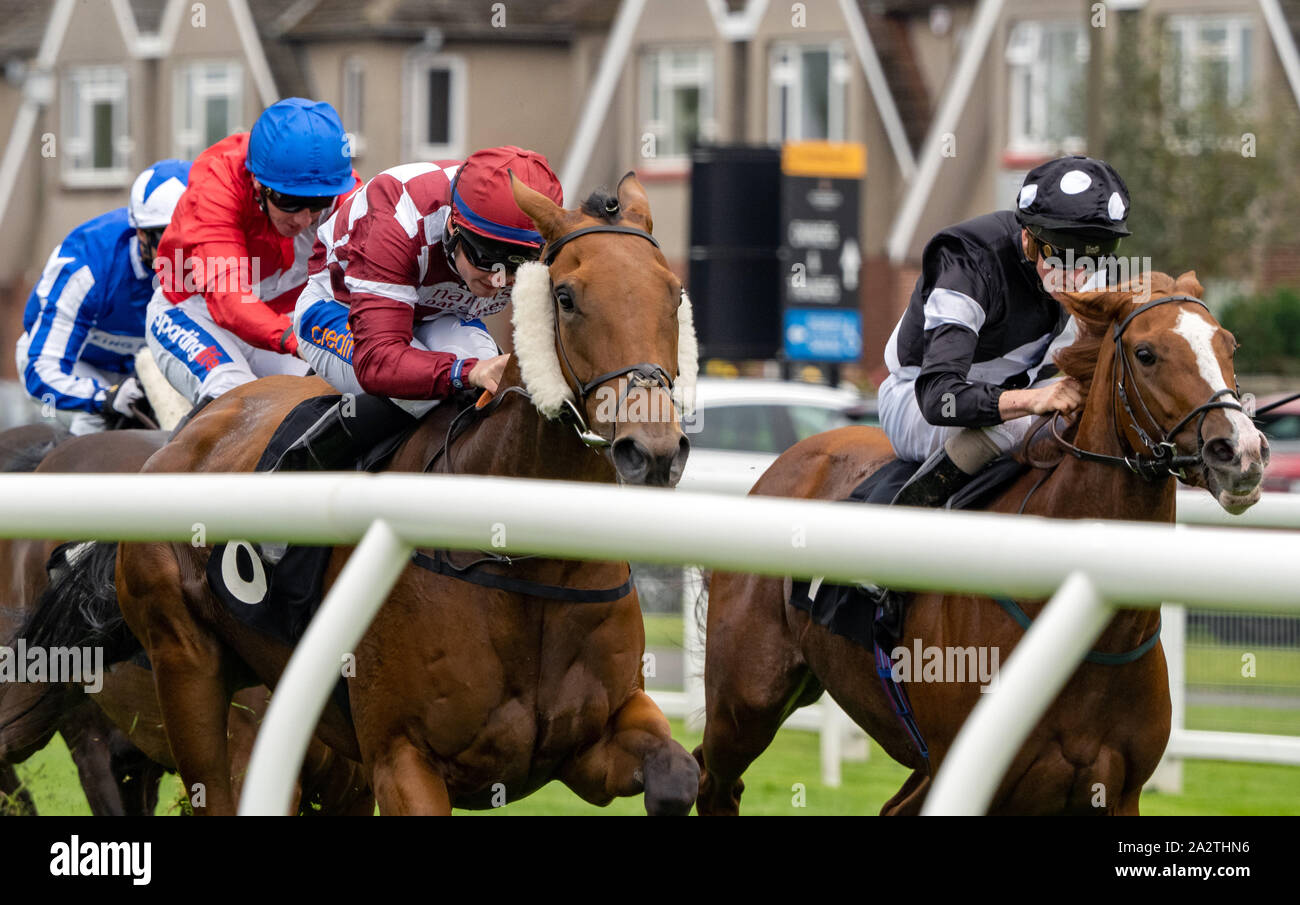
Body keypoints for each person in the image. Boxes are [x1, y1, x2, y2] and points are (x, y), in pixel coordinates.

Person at [273, 146, 562, 471]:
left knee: (492, 391)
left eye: (520, 263)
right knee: (421, 391)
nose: (500, 279)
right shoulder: (398, 218)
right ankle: (290, 469)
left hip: (439, 313)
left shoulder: (551, 239)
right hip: (338, 308)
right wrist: (466, 371)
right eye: (489, 257)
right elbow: (379, 362)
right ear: (454, 227)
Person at [879, 155, 1132, 506]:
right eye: (1062, 257)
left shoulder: (1098, 268)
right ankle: (907, 519)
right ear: (1029, 238)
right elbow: (940, 398)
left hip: (1015, 388)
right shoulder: (967, 263)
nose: (1077, 278)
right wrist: (1032, 400)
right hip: (916, 398)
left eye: (1093, 258)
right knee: (1020, 424)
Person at [145, 98, 360, 404]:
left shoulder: (342, 191)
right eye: (289, 202)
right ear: (258, 184)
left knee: (326, 397)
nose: (303, 219)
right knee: (238, 403)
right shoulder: (216, 187)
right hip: (195, 312)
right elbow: (230, 298)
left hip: (280, 315)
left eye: (319, 204)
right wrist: (295, 338)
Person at [15, 159, 192, 435]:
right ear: (141, 234)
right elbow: (41, 369)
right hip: (67, 364)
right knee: (98, 423)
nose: (181, 255)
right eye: (166, 238)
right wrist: (104, 397)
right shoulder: (88, 267)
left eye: (192, 239)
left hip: (137, 371)